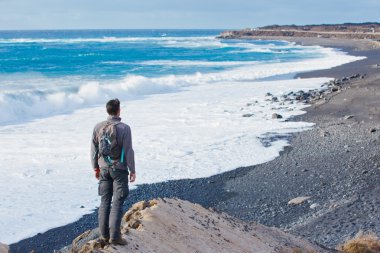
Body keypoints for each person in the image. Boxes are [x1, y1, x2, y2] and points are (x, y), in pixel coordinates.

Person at [91, 98, 136, 245]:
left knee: (104, 202)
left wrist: (95, 168)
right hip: (119, 169)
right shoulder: (124, 128)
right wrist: (132, 170)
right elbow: (128, 151)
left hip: (103, 169)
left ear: (107, 110)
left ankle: (104, 236)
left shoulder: (98, 127)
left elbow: (93, 150)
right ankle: (115, 237)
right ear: (119, 110)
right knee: (117, 202)